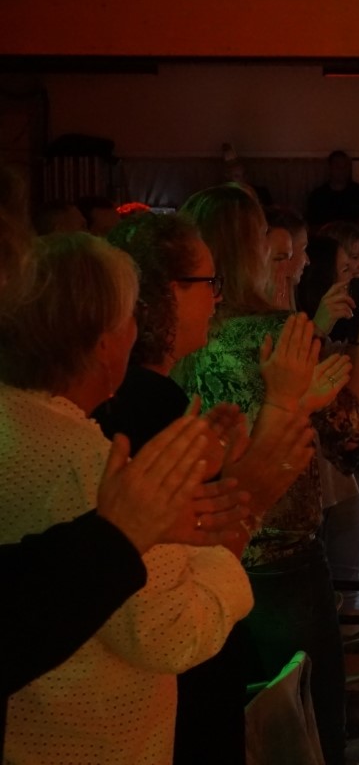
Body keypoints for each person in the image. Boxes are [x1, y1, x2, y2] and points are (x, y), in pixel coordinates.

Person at [175, 184, 359, 765]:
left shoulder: (178, 340)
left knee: (222, 731)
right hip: (282, 561)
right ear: (250, 249)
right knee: (306, 732)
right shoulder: (280, 332)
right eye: (266, 239)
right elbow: (349, 436)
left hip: (196, 558)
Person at [0, 232, 254, 764]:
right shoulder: (88, 463)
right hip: (85, 744)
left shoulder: (20, 422)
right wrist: (226, 557)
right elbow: (169, 633)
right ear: (103, 344)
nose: (136, 331)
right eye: (129, 319)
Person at [94, 212, 319, 765]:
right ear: (163, 293)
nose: (217, 298)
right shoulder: (147, 402)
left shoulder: (153, 394)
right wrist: (262, 455)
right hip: (176, 680)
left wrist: (229, 464)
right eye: (207, 283)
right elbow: (195, 557)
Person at [306, 150, 359, 230]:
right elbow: (311, 225)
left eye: (345, 166)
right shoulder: (318, 197)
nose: (342, 170)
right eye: (337, 166)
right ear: (330, 168)